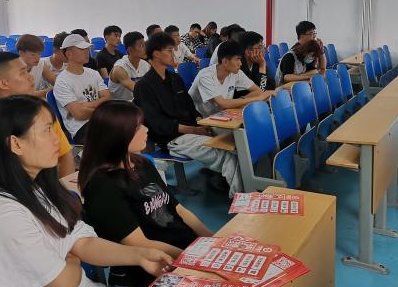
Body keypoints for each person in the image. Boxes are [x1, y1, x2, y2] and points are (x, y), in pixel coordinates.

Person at [0, 95, 173, 287]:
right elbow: (64, 286)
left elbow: (83, 242)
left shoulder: (34, 189)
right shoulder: (0, 214)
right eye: (47, 130)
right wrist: (71, 255)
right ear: (16, 144)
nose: (57, 140)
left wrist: (140, 255)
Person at [79, 100, 212, 287]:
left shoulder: (142, 163)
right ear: (118, 136)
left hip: (186, 250)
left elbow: (178, 209)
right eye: (137, 127)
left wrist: (212, 240)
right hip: (156, 266)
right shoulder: (102, 186)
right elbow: (139, 243)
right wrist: (192, 259)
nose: (146, 130)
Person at [133, 33, 244, 196]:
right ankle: (240, 199)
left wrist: (201, 122)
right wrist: (195, 130)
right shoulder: (144, 86)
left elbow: (190, 107)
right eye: (169, 50)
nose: (174, 53)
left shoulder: (175, 78)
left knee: (238, 142)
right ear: (156, 54)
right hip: (173, 139)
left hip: (193, 130)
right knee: (227, 153)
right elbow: (158, 124)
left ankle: (236, 186)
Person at [0, 51, 75, 177]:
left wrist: (62, 187)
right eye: (23, 73)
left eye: (28, 71)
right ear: (3, 83)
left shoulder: (41, 111)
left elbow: (64, 154)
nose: (31, 77)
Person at [189, 40, 275, 118]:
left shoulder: (235, 72)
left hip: (222, 116)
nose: (240, 63)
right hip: (199, 120)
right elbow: (223, 103)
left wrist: (242, 100)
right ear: (225, 61)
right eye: (237, 59)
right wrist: (258, 98)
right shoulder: (205, 76)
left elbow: (258, 91)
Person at [54, 34, 111, 144]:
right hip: (81, 128)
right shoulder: (62, 81)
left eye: (87, 48)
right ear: (69, 54)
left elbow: (107, 97)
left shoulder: (93, 73)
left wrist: (84, 105)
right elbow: (79, 114)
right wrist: (102, 110)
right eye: (82, 49)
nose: (87, 51)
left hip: (100, 120)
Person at [109, 31, 150, 102]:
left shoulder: (145, 65)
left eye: (145, 45)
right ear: (130, 49)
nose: (145, 48)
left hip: (137, 103)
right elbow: (138, 90)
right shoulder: (119, 68)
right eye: (141, 45)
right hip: (119, 105)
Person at [237, 31, 273, 95]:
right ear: (248, 52)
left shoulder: (258, 63)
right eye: (260, 47)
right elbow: (261, 90)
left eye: (263, 46)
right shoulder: (238, 68)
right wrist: (262, 66)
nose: (264, 49)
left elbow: (271, 85)